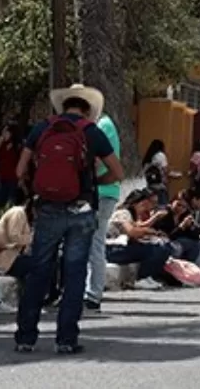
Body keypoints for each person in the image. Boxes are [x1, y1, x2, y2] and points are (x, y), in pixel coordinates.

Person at [14, 84, 123, 355]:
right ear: (87, 109)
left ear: (64, 106)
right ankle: (66, 339)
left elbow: (19, 170)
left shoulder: (42, 129)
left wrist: (35, 190)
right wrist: (93, 181)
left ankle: (25, 337)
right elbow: (118, 172)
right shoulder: (91, 132)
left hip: (48, 209)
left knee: (39, 271)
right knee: (74, 274)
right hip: (81, 210)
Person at [85, 112, 123, 312]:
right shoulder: (105, 124)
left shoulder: (101, 126)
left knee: (94, 242)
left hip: (101, 191)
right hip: (105, 191)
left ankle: (93, 294)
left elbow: (99, 160)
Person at [106, 188, 177, 290]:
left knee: (164, 246)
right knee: (157, 249)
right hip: (112, 249)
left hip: (121, 248)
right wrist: (148, 231)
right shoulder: (122, 213)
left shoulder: (133, 216)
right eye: (143, 204)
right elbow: (131, 231)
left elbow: (138, 229)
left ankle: (147, 276)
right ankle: (141, 278)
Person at [0, 121, 25, 208]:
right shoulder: (2, 143)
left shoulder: (18, 146)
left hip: (13, 178)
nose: (4, 134)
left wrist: (21, 178)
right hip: (2, 177)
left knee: (10, 203)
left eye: (6, 132)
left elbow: (21, 162)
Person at [142, 139, 169, 208]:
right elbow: (165, 169)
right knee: (162, 207)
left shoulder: (148, 157)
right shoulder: (160, 155)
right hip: (159, 186)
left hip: (149, 186)